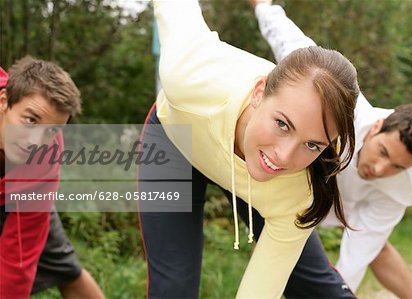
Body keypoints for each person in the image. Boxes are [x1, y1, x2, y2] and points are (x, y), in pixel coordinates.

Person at [138, 0, 360, 298]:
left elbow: (259, 292)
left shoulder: (300, 190)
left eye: (311, 144)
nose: (285, 155)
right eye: (283, 124)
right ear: (258, 93)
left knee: (322, 292)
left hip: (265, 179)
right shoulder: (189, 74)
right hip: (177, 138)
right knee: (173, 289)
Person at [247, 1, 412, 298]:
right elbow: (293, 45)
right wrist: (263, 7)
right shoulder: (347, 114)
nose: (379, 171)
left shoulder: (399, 187)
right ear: (376, 127)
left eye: (397, 167)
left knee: (373, 248)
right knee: (174, 281)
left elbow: (357, 256)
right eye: (384, 154)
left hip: (306, 201)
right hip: (176, 138)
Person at [0, 59, 104, 298]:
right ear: (4, 102)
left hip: (19, 198)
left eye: (51, 130)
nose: (34, 142)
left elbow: (18, 263)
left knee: (67, 269)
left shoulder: (46, 156)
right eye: (30, 120)